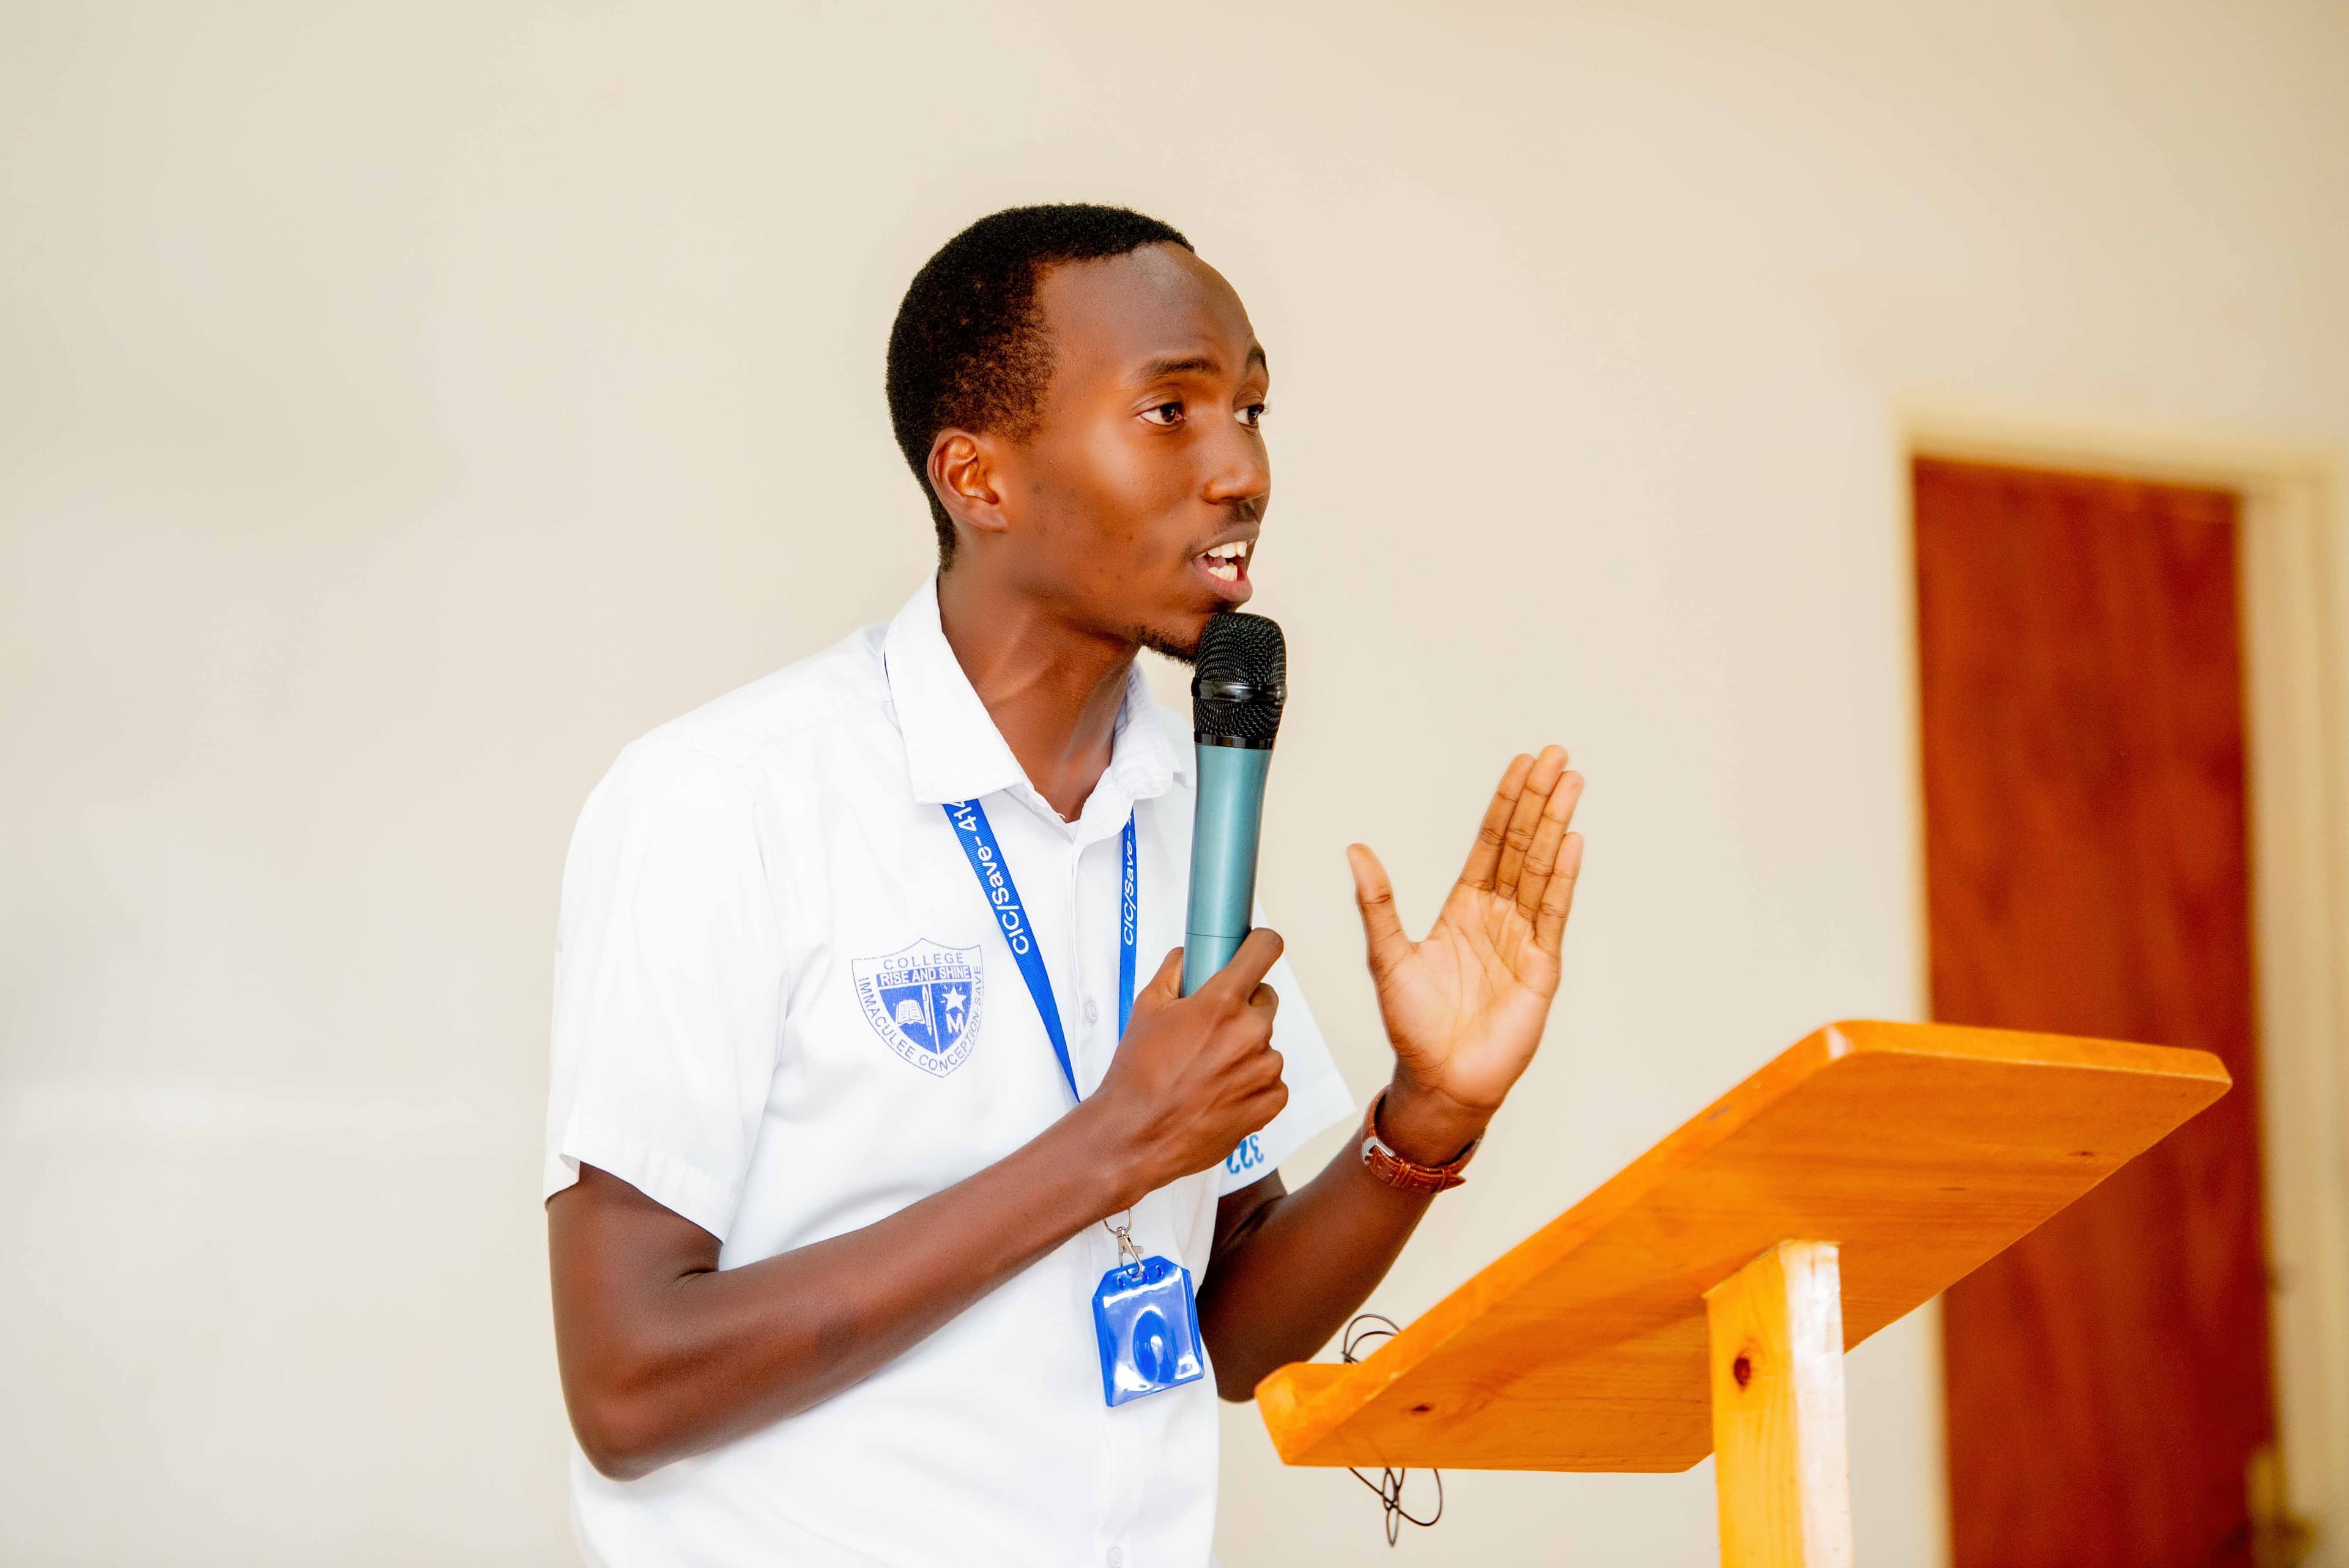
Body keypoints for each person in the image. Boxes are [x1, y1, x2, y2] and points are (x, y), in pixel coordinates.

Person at [542, 203, 1585, 1567]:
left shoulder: (1185, 806)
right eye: (1171, 410)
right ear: (979, 477)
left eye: (1254, 409)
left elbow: (1225, 1326)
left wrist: (1426, 1120)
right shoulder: (727, 800)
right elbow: (628, 1382)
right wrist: (1106, 1149)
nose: (1241, 469)